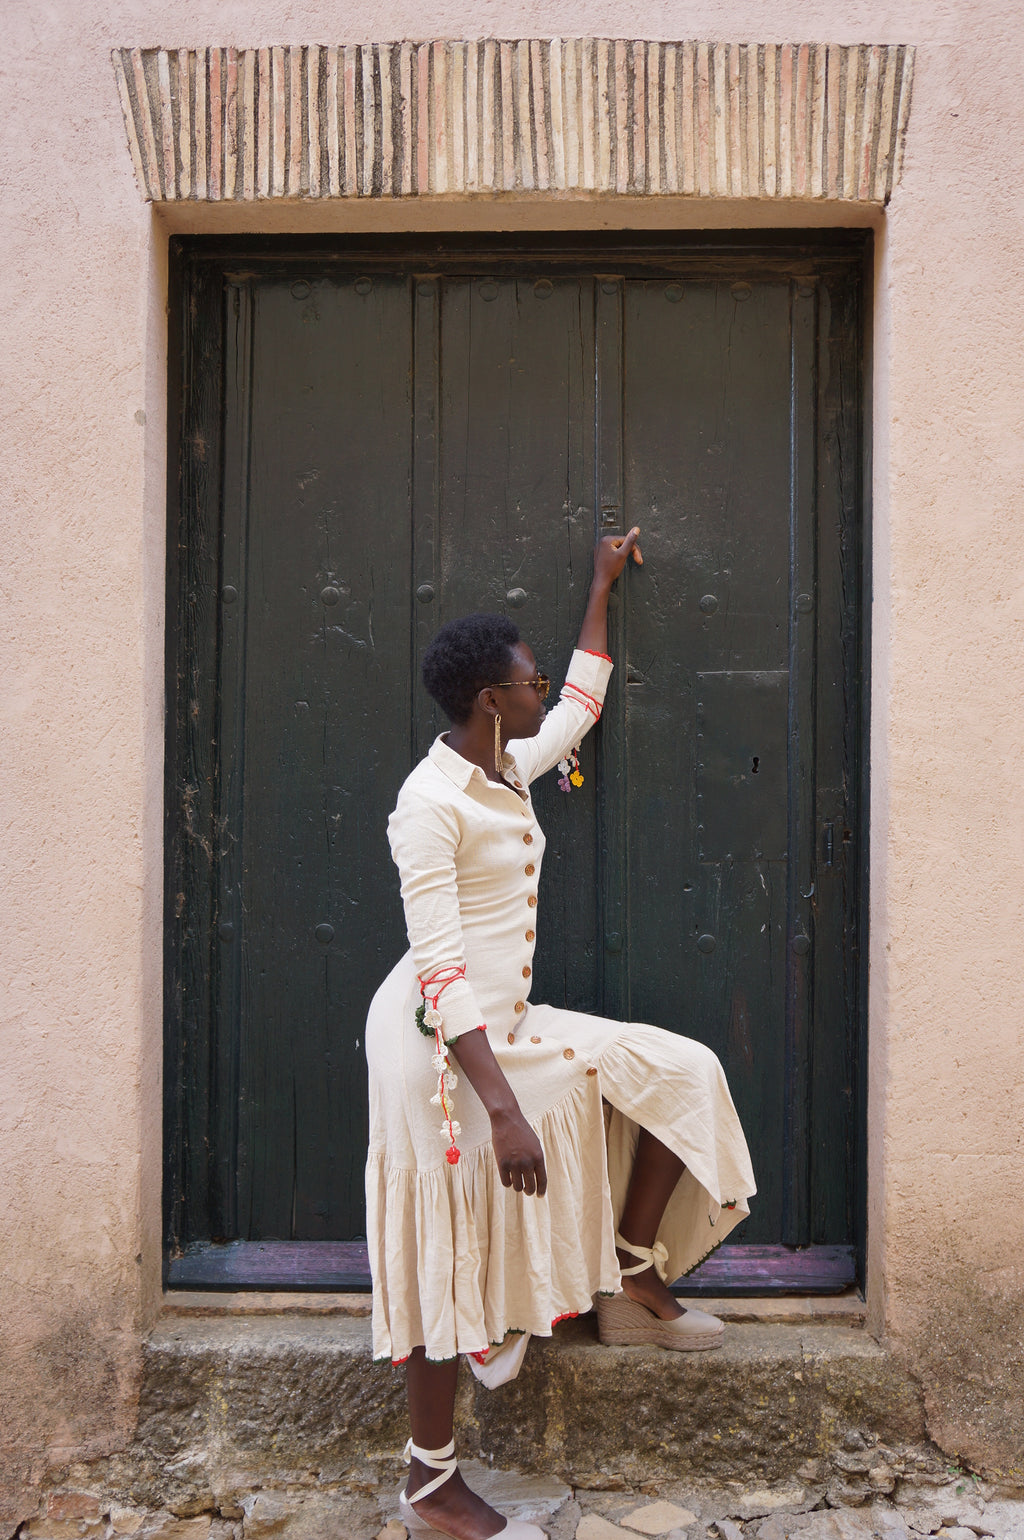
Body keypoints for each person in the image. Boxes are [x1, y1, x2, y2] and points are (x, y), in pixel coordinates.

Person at [365, 530, 756, 1540]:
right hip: (439, 1048)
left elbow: (580, 704)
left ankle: (630, 1272)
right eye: (527, 680)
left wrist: (600, 587)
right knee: (448, 1240)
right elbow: (439, 974)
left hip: (509, 1026)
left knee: (677, 1069)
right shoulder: (427, 805)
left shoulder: (504, 764)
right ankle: (429, 1481)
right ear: (490, 698)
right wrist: (502, 1111)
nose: (541, 690)